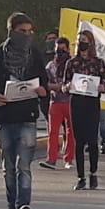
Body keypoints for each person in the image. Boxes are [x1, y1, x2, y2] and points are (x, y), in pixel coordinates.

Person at [0, 12, 48, 209]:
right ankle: (11, 206)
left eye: (30, 31)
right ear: (11, 31)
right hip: (4, 117)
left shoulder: (35, 55)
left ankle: (23, 205)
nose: (28, 35)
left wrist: (41, 91)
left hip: (27, 116)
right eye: (23, 31)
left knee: (24, 165)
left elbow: (44, 82)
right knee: (8, 165)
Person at [64, 29, 105, 190]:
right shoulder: (72, 63)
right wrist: (67, 86)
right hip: (76, 103)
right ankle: (80, 176)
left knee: (92, 140)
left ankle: (93, 173)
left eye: (84, 40)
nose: (81, 43)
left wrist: (102, 87)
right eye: (79, 40)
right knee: (79, 142)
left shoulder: (98, 63)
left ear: (90, 43)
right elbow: (64, 84)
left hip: (92, 103)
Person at [40, 37, 75, 170]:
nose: (59, 52)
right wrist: (59, 87)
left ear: (68, 49)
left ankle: (69, 159)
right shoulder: (50, 66)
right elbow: (46, 84)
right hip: (55, 102)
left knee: (70, 132)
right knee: (52, 132)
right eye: (57, 49)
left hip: (70, 102)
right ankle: (51, 159)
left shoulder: (73, 64)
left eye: (62, 49)